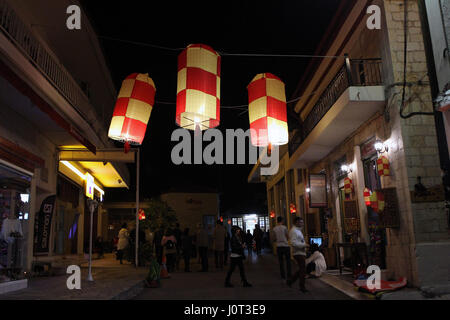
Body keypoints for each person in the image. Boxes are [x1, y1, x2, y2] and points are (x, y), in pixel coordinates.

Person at [287, 217, 309, 293]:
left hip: (301, 252)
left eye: (302, 222)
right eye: (301, 222)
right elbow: (293, 243)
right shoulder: (294, 231)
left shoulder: (298, 231)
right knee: (303, 269)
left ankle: (290, 281)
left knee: (301, 269)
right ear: (296, 222)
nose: (302, 223)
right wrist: (304, 245)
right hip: (298, 253)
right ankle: (302, 286)